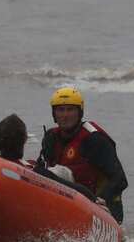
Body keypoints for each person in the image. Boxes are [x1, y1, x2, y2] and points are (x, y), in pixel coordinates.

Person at [39, 86, 128, 223]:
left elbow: (120, 179)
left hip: (102, 208)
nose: (65, 115)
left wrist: (100, 201)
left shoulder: (94, 139)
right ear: (54, 114)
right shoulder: (50, 138)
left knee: (62, 173)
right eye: (60, 110)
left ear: (79, 112)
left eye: (70, 110)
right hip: (68, 203)